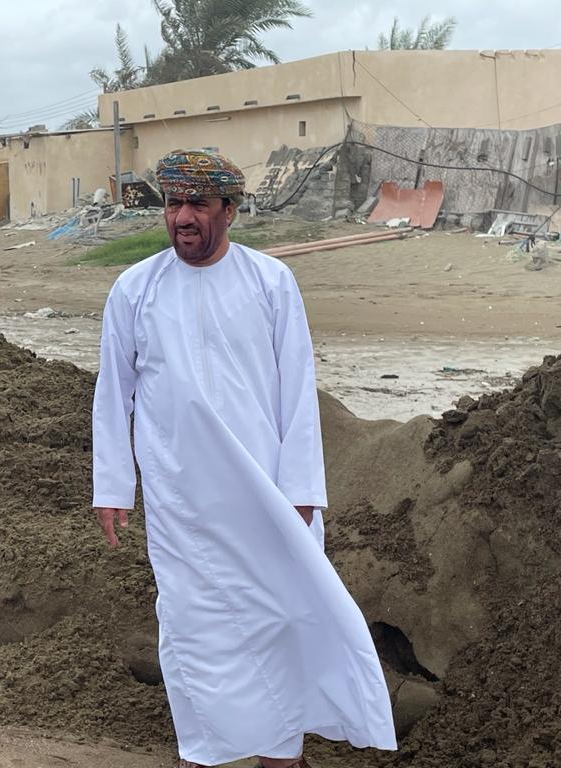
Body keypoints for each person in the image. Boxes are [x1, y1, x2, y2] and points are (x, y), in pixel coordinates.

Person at [92, 149, 396, 768]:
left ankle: (281, 756)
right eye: (173, 204)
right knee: (192, 627)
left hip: (266, 494)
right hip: (181, 500)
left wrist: (302, 487)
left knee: (280, 619)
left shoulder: (270, 282)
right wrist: (114, 488)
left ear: (229, 211)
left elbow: (297, 390)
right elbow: (113, 392)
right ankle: (203, 752)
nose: (182, 217)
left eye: (197, 205)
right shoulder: (135, 289)